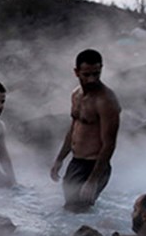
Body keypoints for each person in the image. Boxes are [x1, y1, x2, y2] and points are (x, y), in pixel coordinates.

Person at [50, 49, 121, 211]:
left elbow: (109, 144)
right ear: (76, 72)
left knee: (76, 210)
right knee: (71, 210)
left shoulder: (106, 101)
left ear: (101, 69)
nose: (92, 79)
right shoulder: (76, 95)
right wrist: (60, 159)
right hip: (76, 162)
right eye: (86, 75)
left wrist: (93, 180)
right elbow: (74, 129)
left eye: (96, 74)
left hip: (95, 165)